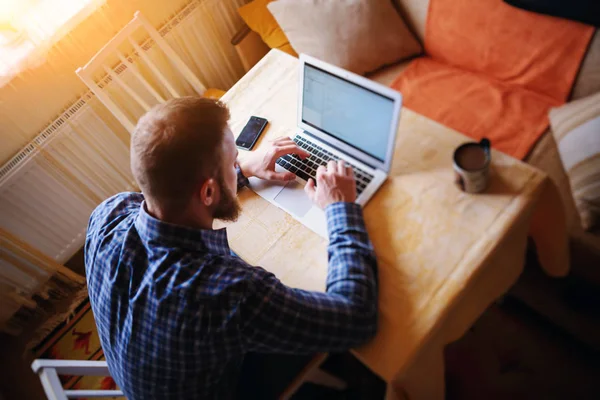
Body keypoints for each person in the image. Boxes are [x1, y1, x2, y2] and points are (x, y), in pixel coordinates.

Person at [85, 97, 378, 399]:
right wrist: (340, 209)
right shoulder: (229, 295)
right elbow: (357, 319)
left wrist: (243, 171)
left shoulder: (108, 212)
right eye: (233, 162)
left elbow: (179, 197)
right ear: (209, 191)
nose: (238, 165)